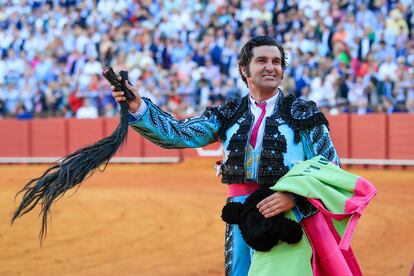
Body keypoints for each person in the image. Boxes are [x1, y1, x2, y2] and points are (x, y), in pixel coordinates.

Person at [111, 36, 349, 275]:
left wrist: (296, 199)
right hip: (240, 219)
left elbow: (331, 169)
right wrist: (139, 107)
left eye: (277, 62)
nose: (271, 67)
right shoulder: (229, 113)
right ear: (244, 69)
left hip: (287, 216)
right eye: (262, 60)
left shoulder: (304, 113)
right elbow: (178, 133)